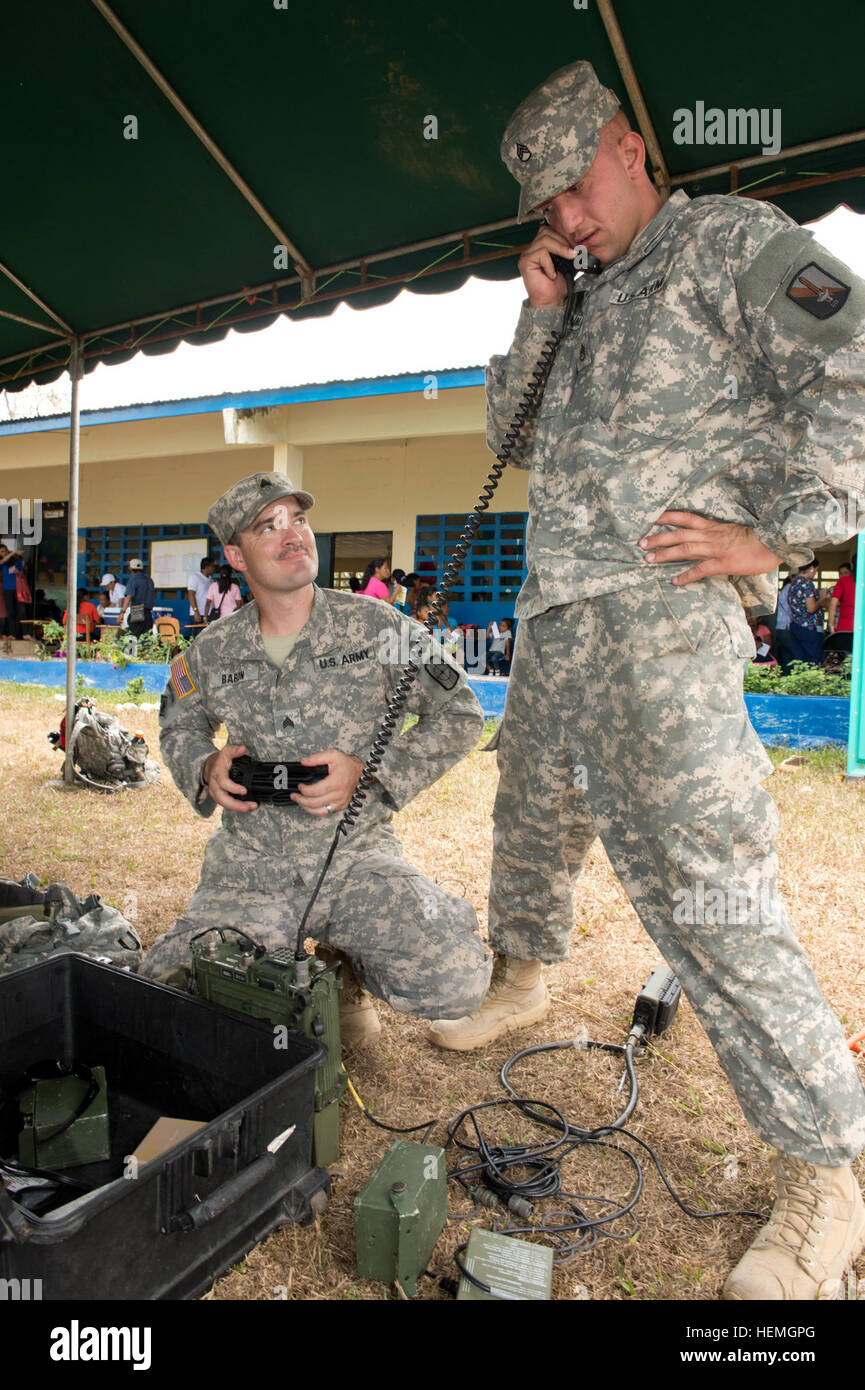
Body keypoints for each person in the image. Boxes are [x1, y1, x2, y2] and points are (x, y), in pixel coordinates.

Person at [429, 61, 865, 1301]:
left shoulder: (733, 241)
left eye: (576, 185)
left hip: (666, 618)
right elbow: (507, 441)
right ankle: (524, 967)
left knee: (703, 885)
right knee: (529, 810)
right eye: (545, 207)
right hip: (559, 614)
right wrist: (535, 308)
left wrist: (780, 540)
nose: (565, 217)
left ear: (629, 147)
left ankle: (824, 1170)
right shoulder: (583, 290)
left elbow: (858, 348)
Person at [140, 472, 491, 1042]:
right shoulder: (211, 650)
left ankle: (346, 963)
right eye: (268, 526)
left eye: (298, 519)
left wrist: (370, 774)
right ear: (236, 553)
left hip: (355, 857)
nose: (293, 535)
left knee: (454, 980)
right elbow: (179, 725)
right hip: (250, 869)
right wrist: (205, 767)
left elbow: (460, 714)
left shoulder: (378, 626)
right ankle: (312, 978)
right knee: (169, 996)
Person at [788, 561, 828, 664]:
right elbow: (811, 608)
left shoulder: (793, 583)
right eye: (816, 570)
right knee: (813, 660)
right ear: (811, 568)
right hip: (809, 626)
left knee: (799, 661)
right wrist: (821, 598)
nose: (815, 573)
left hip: (795, 625)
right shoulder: (807, 584)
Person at [120, 558, 155, 638]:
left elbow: (128, 597)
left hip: (137, 610)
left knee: (133, 637)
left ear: (130, 568)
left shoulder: (133, 580)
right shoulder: (149, 580)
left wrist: (122, 612)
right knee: (146, 638)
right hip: (148, 613)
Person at [0, 543, 23, 647]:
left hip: (18, 588)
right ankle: (12, 634)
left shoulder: (15, 560)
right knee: (10, 612)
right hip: (7, 589)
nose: (4, 553)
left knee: (20, 610)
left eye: (5, 550)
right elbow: (3, 561)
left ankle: (19, 633)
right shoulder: (3, 562)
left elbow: (22, 573)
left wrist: (18, 571)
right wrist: (13, 552)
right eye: (1, 552)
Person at [186, 556, 216, 635]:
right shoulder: (194, 577)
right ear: (207, 566)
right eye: (213, 566)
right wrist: (196, 612)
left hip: (208, 615)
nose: (214, 568)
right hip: (198, 614)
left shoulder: (211, 580)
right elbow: (191, 595)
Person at [828, 557, 856, 635]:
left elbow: (832, 603)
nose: (842, 575)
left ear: (852, 566)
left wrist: (831, 625)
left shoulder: (843, 581)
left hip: (846, 627)